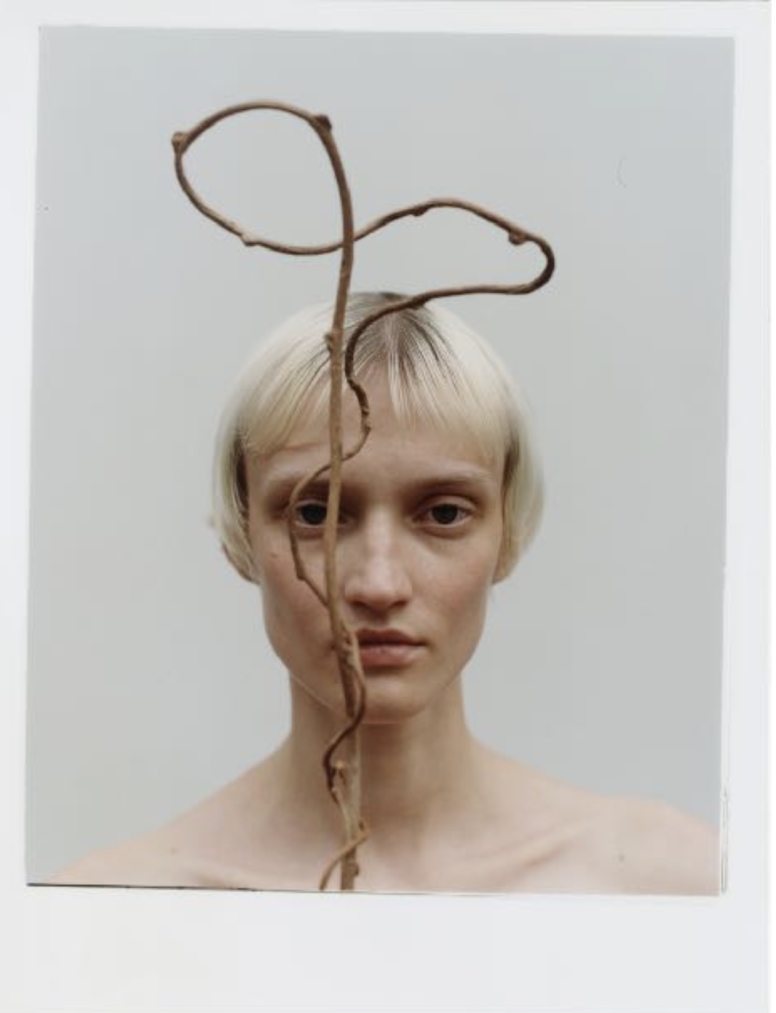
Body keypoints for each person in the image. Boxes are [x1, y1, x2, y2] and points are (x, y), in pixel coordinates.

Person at [51, 293, 719, 894]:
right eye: (315, 513)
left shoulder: (672, 885)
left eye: (444, 513)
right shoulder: (113, 908)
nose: (378, 584)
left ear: (507, 533)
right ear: (241, 534)